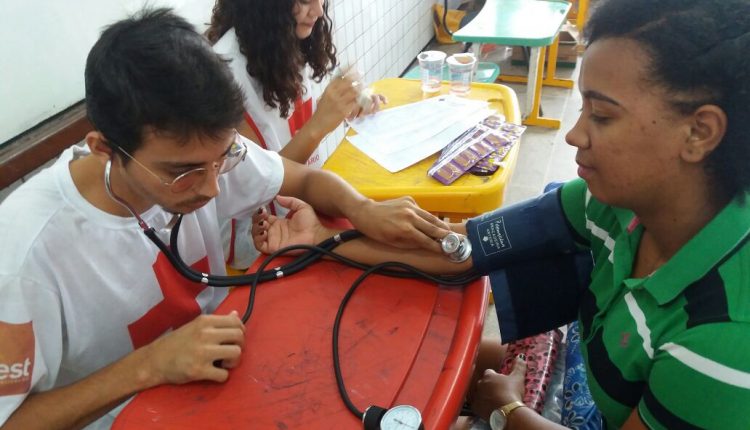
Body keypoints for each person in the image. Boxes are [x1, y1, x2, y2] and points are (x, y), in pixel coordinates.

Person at [253, 0, 750, 428]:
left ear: (700, 132)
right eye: (582, 109)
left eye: (602, 115)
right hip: (590, 375)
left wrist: (509, 413)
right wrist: (322, 240)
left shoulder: (724, 342)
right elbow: (464, 248)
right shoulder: (612, 205)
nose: (574, 134)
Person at [0, 9, 450, 429]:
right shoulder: (23, 255)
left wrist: (362, 209)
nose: (213, 189)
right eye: (183, 173)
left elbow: (305, 180)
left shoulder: (202, 154)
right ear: (104, 149)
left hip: (223, 386)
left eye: (222, 159)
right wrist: (149, 366)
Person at [206, 0, 388, 268]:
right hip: (258, 237)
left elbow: (298, 121)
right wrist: (320, 124)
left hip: (305, 207)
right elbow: (259, 180)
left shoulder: (288, 39)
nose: (318, 11)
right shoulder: (223, 74)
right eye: (303, 1)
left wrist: (350, 102)